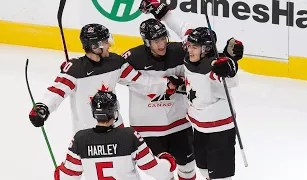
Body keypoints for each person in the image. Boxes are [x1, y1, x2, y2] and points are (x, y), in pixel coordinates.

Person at [139, 1, 243, 180]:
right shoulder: (191, 53)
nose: (188, 49)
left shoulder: (213, 68)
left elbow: (231, 79)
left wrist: (230, 64)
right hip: (199, 127)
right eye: (189, 45)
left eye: (194, 47)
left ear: (207, 50)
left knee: (220, 177)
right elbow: (180, 26)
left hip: (219, 130)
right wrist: (161, 12)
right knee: (203, 170)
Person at [28, 23, 180, 135]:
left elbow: (140, 82)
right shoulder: (75, 69)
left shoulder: (116, 63)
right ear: (94, 46)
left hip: (116, 128)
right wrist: (43, 107)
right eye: (105, 42)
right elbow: (57, 91)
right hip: (87, 133)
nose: (109, 45)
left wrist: (165, 84)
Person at [121, 18, 196, 180]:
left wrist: (183, 84)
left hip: (179, 123)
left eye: (163, 38)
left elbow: (198, 70)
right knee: (163, 172)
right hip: (148, 128)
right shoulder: (132, 58)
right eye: (155, 41)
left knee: (188, 168)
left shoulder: (179, 52)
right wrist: (164, 85)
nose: (161, 45)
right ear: (146, 42)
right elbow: (114, 76)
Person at [54, 90, 177, 180]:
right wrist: (167, 161)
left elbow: (66, 177)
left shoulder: (80, 139)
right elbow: (156, 171)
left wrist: (59, 173)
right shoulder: (129, 136)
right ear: (114, 112)